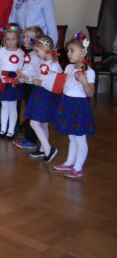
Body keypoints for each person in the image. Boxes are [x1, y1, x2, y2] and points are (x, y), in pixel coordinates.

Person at [52, 33, 96, 179]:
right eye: (68, 51)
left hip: (79, 106)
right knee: (72, 137)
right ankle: (70, 162)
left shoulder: (89, 72)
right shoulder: (69, 67)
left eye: (72, 50)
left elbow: (90, 93)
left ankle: (78, 167)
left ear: (83, 52)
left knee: (80, 138)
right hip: (67, 103)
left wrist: (84, 81)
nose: (68, 53)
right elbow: (64, 85)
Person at [25, 35, 62, 163]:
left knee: (34, 122)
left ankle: (48, 149)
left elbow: (56, 84)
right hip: (41, 94)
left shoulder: (54, 65)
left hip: (47, 96)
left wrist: (40, 83)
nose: (36, 53)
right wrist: (30, 79)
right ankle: (42, 149)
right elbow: (41, 77)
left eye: (37, 50)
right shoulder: (45, 63)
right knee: (43, 122)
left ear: (45, 49)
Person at [0, 23, 25, 139]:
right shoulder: (1, 51)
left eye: (13, 39)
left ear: (18, 39)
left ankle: (11, 130)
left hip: (13, 82)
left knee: (12, 106)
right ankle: (3, 129)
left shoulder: (21, 53)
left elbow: (22, 70)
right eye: (7, 39)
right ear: (4, 40)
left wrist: (17, 80)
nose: (10, 42)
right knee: (4, 105)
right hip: (2, 79)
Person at [13, 26, 44, 150]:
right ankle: (28, 136)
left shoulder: (38, 56)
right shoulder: (28, 54)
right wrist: (20, 77)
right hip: (27, 86)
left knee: (32, 113)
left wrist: (25, 74)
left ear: (37, 40)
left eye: (29, 37)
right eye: (24, 37)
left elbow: (38, 74)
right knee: (28, 111)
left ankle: (32, 140)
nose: (25, 39)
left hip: (34, 88)